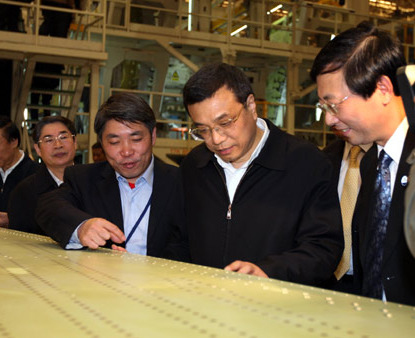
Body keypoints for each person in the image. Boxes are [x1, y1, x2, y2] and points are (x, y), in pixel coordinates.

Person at [167, 62, 343, 287]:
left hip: (279, 308)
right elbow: (178, 241)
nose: (216, 139)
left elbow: (324, 249)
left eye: (225, 123)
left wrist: (269, 272)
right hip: (206, 303)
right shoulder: (195, 166)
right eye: (203, 130)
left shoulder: (307, 164)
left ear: (251, 106)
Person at [310, 21, 415, 306]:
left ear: (382, 88)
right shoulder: (371, 166)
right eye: (323, 107)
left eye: (334, 104)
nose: (329, 119)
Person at [36, 92, 178, 257]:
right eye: (114, 142)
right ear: (102, 143)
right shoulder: (84, 179)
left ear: (153, 136)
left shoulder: (181, 182)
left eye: (136, 139)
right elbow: (47, 206)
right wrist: (81, 226)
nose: (126, 151)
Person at [6, 116, 77, 235]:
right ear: (38, 149)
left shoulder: (94, 183)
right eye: (49, 140)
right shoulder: (23, 193)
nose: (58, 145)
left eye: (63, 137)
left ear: (75, 142)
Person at [323, 135, 372, 294]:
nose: (330, 119)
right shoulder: (324, 157)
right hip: (327, 281)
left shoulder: (393, 159)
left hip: (371, 285)